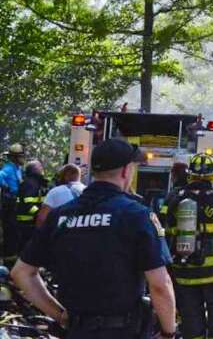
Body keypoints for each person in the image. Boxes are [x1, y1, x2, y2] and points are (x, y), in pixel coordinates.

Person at [11, 139, 177, 339]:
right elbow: (160, 285)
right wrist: (169, 333)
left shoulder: (61, 216)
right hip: (123, 331)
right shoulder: (137, 215)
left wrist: (60, 315)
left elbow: (21, 273)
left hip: (77, 331)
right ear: (126, 171)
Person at [164, 153, 213, 339]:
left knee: (190, 317)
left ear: (190, 175)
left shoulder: (174, 199)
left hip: (183, 272)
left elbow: (163, 231)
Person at [13, 160, 48, 254]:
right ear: (35, 169)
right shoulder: (30, 184)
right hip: (27, 223)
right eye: (40, 167)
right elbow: (28, 203)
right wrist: (39, 213)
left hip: (31, 222)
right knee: (26, 249)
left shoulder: (36, 182)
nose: (42, 169)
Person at [0, 144, 25, 266]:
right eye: (21, 156)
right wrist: (6, 186)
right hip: (9, 203)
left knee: (15, 231)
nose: (23, 158)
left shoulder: (18, 168)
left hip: (16, 202)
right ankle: (7, 258)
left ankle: (13, 256)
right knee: (9, 230)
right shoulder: (8, 168)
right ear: (15, 157)